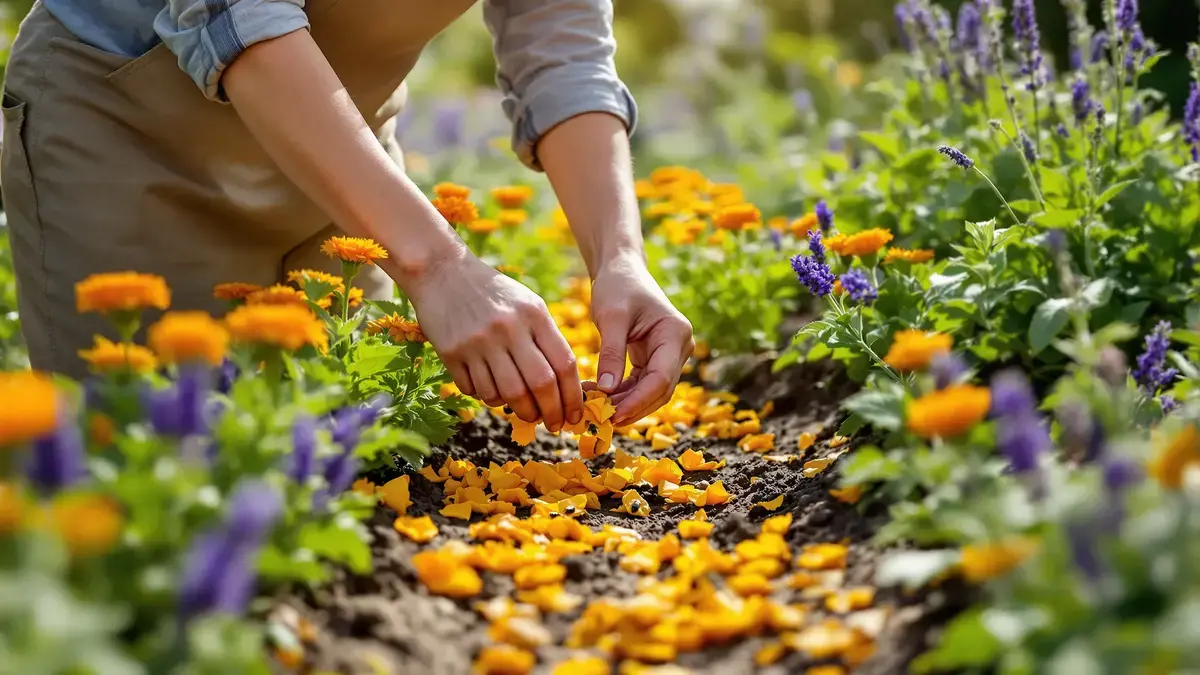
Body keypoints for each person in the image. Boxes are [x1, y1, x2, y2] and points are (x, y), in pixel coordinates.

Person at [0, 0, 694, 431]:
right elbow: (237, 16)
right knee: (152, 473)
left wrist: (619, 259)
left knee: (350, 455)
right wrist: (439, 266)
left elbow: (563, 53)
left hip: (344, 170)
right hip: (131, 141)